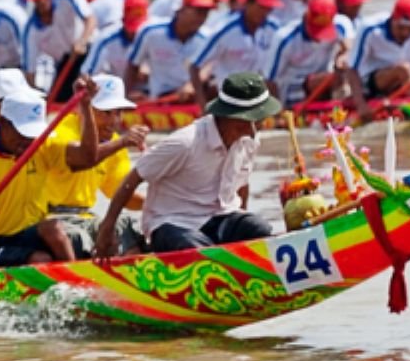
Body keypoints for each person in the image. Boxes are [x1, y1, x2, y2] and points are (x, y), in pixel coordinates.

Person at [95, 72, 281, 256]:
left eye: (258, 121)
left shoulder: (250, 138)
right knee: (201, 252)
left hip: (221, 217)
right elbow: (133, 178)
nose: (253, 129)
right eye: (247, 122)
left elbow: (242, 185)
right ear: (227, 116)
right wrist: (107, 229)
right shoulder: (185, 143)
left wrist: (243, 232)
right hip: (173, 223)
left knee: (261, 230)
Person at [0, 80, 100, 267]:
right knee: (40, 260)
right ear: (3, 123)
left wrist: (86, 106)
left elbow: (88, 157)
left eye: (33, 135)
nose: (29, 142)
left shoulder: (39, 145)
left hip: (28, 233)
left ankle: (77, 283)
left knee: (54, 229)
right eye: (22, 134)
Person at [40, 75, 148, 254]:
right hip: (53, 218)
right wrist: (121, 142)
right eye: (106, 113)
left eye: (118, 112)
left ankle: (130, 278)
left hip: (85, 215)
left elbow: (121, 194)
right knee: (79, 239)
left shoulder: (114, 142)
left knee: (131, 230)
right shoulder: (61, 134)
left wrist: (159, 201)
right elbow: (86, 157)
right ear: (83, 109)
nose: (113, 121)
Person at [190, 0, 281, 104]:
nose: (265, 13)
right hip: (229, 98)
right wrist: (201, 104)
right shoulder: (225, 29)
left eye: (269, 8)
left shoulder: (274, 28)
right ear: (248, 3)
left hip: (260, 96)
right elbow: (195, 65)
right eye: (262, 7)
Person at [126, 0, 214, 101]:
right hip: (160, 98)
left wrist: (191, 84)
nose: (202, 17)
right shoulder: (150, 32)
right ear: (182, 9)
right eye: (199, 11)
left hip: (193, 98)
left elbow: (211, 64)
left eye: (206, 12)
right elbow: (133, 65)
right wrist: (126, 95)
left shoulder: (207, 37)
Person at [20, 0, 96, 101]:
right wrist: (35, 96)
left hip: (88, 47)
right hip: (65, 61)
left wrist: (81, 42)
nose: (42, 2)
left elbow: (90, 19)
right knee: (60, 99)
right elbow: (30, 71)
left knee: (87, 84)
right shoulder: (31, 31)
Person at [350, 0, 410, 110]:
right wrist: (360, 104)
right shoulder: (370, 28)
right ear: (393, 18)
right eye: (401, 28)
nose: (405, 33)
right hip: (373, 83)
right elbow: (352, 69)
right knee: (403, 70)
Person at [266, 0, 349, 104]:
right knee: (328, 78)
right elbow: (270, 81)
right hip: (292, 87)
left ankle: (342, 103)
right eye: (316, 29)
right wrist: (276, 114)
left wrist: (343, 56)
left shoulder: (341, 25)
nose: (319, 38)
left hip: (323, 80)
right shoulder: (285, 38)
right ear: (306, 17)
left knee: (346, 72)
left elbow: (349, 49)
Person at [84, 0, 149, 78]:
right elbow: (88, 74)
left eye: (139, 28)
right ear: (122, 20)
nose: (135, 32)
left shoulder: (155, 34)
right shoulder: (106, 38)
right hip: (118, 86)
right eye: (132, 28)